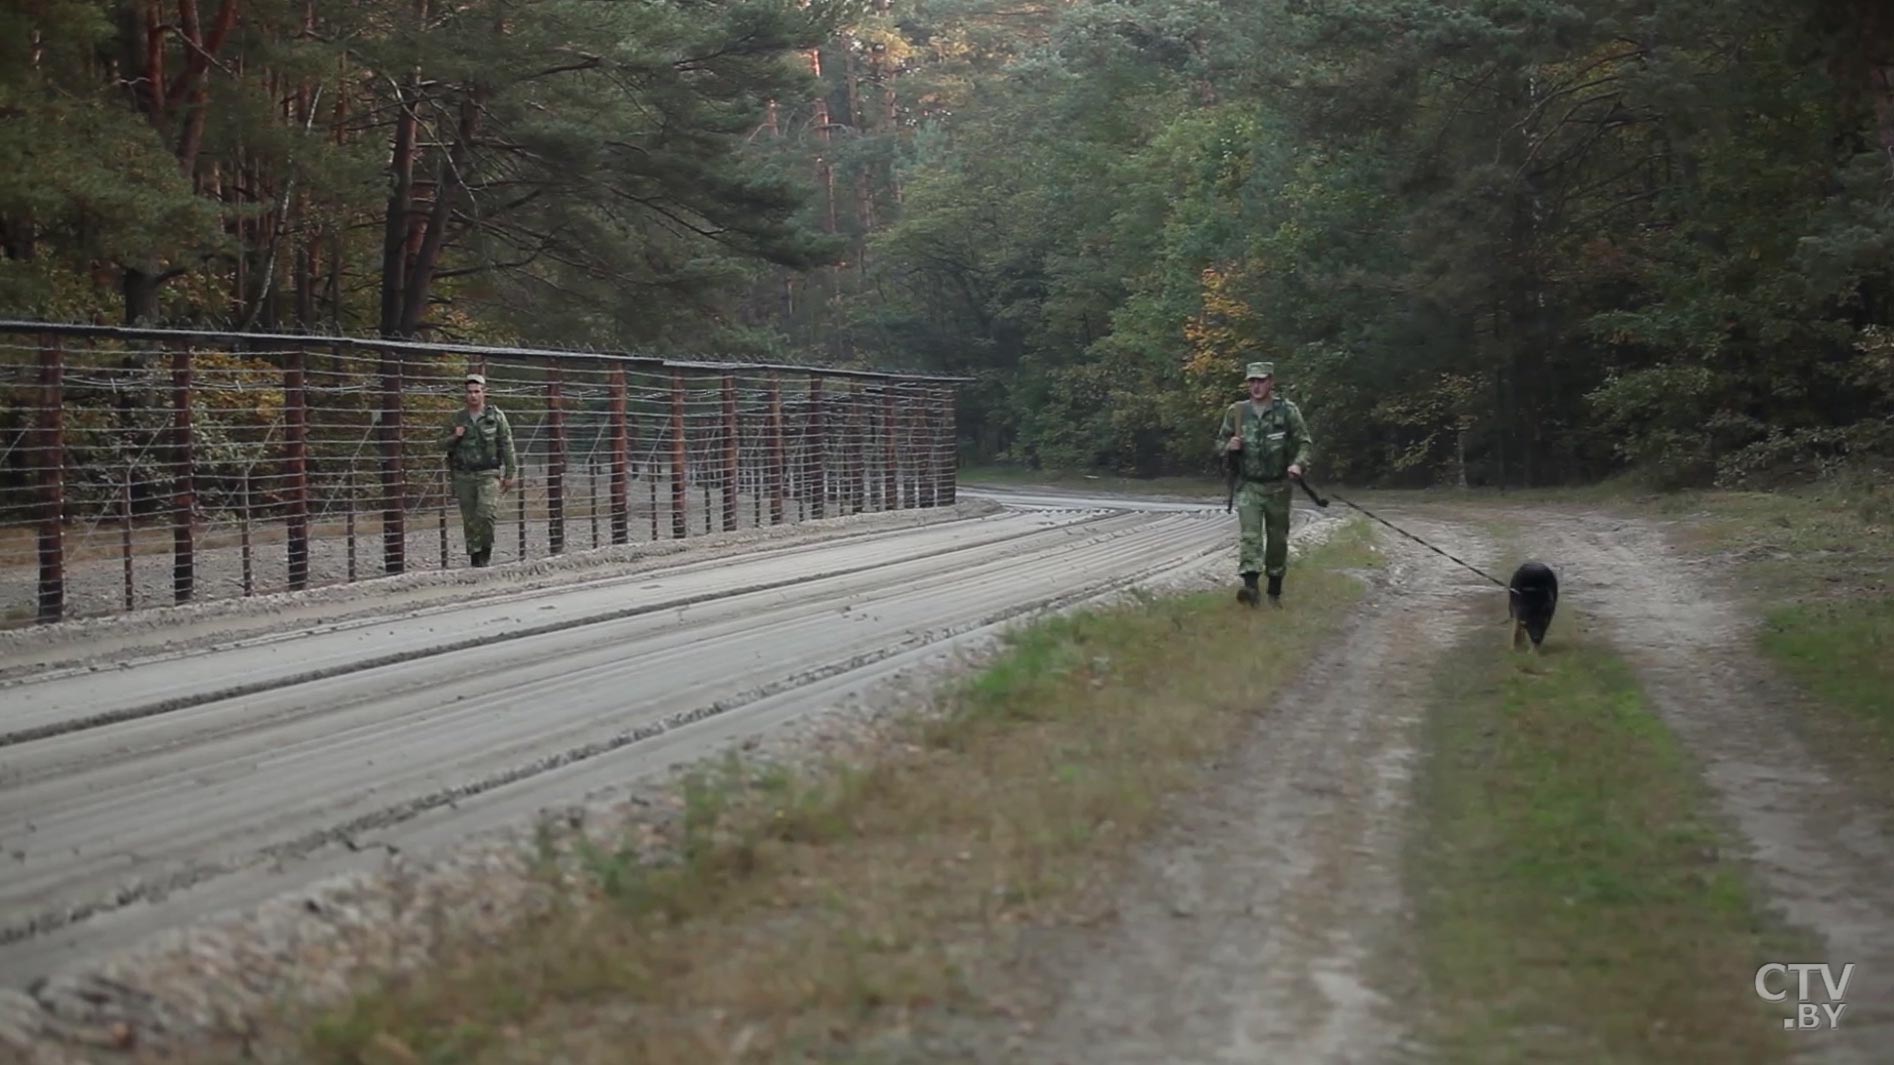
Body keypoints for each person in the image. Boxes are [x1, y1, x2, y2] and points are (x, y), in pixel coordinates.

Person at [1218, 360, 1313, 607]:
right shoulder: (1237, 412)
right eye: (1252, 381)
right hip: (1249, 486)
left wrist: (1298, 464)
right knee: (1250, 536)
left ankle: (1274, 592)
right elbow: (1220, 444)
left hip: (1279, 486)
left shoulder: (1286, 411)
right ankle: (1250, 590)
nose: (1256, 386)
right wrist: (1230, 446)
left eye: (1261, 380)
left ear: (1271, 381)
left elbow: (1304, 442)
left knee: (1277, 539)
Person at [442, 372, 518, 567]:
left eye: (477, 391)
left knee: (486, 513)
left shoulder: (495, 417)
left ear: (484, 393)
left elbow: (506, 444)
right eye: (469, 392)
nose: (473, 396)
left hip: (488, 473)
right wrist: (455, 437)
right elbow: (440, 444)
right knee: (470, 518)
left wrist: (510, 473)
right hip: (464, 474)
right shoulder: (457, 418)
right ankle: (475, 557)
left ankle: (485, 550)